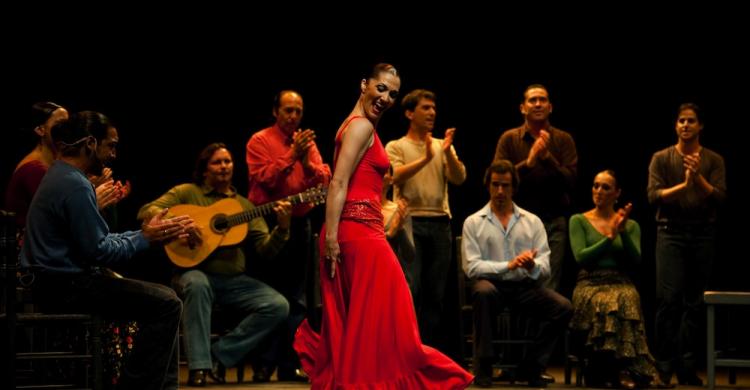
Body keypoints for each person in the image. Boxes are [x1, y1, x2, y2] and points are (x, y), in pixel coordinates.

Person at [294, 63, 473, 389]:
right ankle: (372, 378)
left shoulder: (355, 125)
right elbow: (339, 182)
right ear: (364, 84)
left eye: (392, 93)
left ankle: (362, 377)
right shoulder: (361, 126)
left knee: (366, 317)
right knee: (393, 313)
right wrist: (332, 236)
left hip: (358, 230)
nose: (386, 98)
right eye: (381, 89)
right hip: (357, 232)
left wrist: (334, 235)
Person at [20, 111, 190, 390]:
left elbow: (98, 241)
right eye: (110, 145)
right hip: (65, 285)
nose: (113, 153)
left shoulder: (62, 175)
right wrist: (145, 238)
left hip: (57, 280)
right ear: (89, 143)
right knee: (167, 304)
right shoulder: (74, 184)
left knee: (168, 298)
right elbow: (100, 251)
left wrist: (144, 234)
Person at [137, 142, 292, 387]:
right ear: (204, 169)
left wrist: (282, 229)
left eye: (227, 161)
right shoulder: (187, 192)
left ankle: (218, 353)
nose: (223, 167)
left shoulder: (243, 206)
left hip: (234, 281)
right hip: (192, 273)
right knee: (197, 285)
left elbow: (265, 250)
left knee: (278, 305)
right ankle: (199, 368)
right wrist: (183, 224)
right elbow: (147, 211)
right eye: (217, 162)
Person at [462, 159, 572, 388]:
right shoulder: (473, 222)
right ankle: (484, 365)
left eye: (505, 185)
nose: (500, 191)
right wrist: (507, 266)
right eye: (495, 185)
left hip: (524, 287)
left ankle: (531, 365)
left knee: (563, 307)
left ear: (514, 188)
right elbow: (472, 267)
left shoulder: (532, 222)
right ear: (488, 186)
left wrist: (532, 266)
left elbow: (545, 266)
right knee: (482, 292)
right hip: (492, 286)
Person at [245, 89, 330, 382]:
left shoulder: (307, 143)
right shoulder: (259, 141)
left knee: (296, 298)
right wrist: (292, 155)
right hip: (267, 221)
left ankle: (289, 363)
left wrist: (306, 161)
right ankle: (264, 363)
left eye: (298, 111)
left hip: (300, 222)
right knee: (270, 295)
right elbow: (264, 180)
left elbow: (323, 179)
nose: (294, 116)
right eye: (288, 110)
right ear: (275, 111)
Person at [647, 102, 726, 387]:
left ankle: (687, 367)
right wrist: (685, 184)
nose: (685, 125)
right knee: (668, 301)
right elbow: (654, 196)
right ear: (675, 125)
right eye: (681, 121)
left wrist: (698, 179)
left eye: (691, 121)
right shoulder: (661, 158)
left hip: (703, 234)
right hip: (670, 233)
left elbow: (719, 197)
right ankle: (664, 367)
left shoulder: (714, 160)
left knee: (694, 303)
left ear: (700, 125)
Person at [569, 170, 665, 389]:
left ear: (617, 193)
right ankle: (602, 367)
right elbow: (582, 257)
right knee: (606, 301)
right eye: (595, 186)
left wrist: (621, 232)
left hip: (620, 281)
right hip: (589, 283)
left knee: (628, 297)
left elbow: (636, 259)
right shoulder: (579, 220)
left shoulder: (631, 225)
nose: (599, 191)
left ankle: (623, 368)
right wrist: (609, 237)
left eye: (605, 187)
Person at [385, 88, 466, 345]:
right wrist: (426, 157)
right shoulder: (396, 146)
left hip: (440, 223)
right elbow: (393, 175)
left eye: (433, 108)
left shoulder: (442, 145)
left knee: (435, 295)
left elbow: (459, 178)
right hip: (411, 223)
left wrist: (447, 153)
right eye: (425, 108)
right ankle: (406, 347)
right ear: (410, 113)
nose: (432, 112)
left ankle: (425, 350)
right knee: (411, 289)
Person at [493, 84, 577, 292]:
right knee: (520, 283)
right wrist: (528, 163)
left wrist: (547, 157)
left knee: (549, 285)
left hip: (554, 221)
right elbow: (496, 179)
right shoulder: (509, 138)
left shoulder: (563, 139)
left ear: (551, 107)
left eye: (542, 100)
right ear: (523, 108)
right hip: (518, 222)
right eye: (532, 100)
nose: (538, 104)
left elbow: (572, 181)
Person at [5, 102, 69, 230]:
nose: (67, 130)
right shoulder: (34, 168)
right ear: (40, 130)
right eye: (60, 124)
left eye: (68, 124)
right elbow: (57, 216)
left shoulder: (53, 163)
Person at [381, 164, 415, 284]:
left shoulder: (398, 210)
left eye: (384, 171)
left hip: (395, 276)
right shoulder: (362, 210)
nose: (379, 175)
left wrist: (400, 229)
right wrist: (390, 233)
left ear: (391, 179)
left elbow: (409, 256)